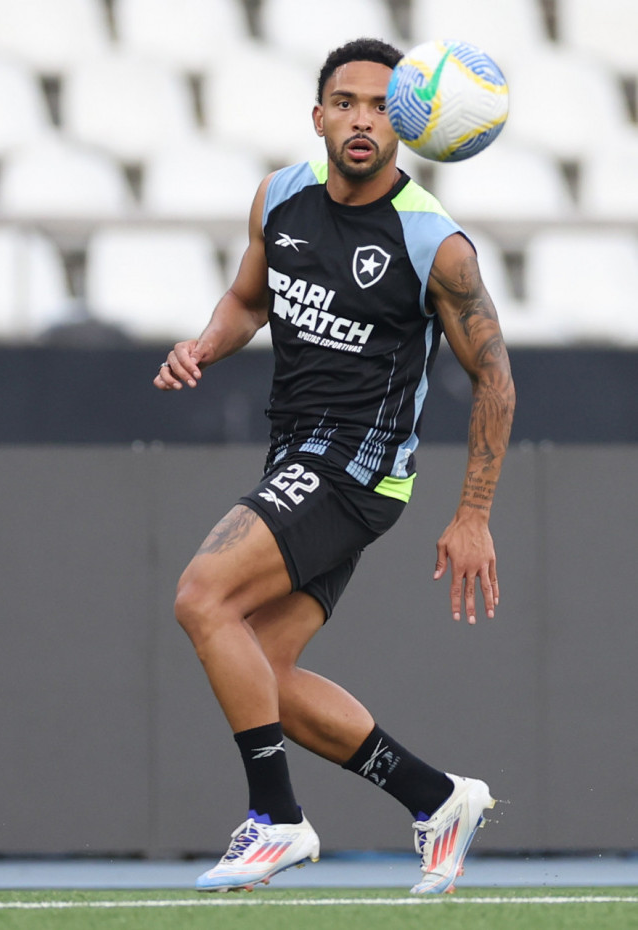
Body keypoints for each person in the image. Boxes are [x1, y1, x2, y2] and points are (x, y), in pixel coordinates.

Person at [154, 37, 515, 895]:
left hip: (354, 470)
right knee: (261, 673)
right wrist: (207, 343)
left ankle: (275, 821)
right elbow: (248, 301)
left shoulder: (434, 242)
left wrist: (472, 513)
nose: (361, 119)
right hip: (298, 455)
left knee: (200, 597)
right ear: (318, 116)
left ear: (406, 123)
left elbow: (494, 377)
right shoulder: (280, 198)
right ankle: (437, 799)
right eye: (344, 102)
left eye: (380, 106)